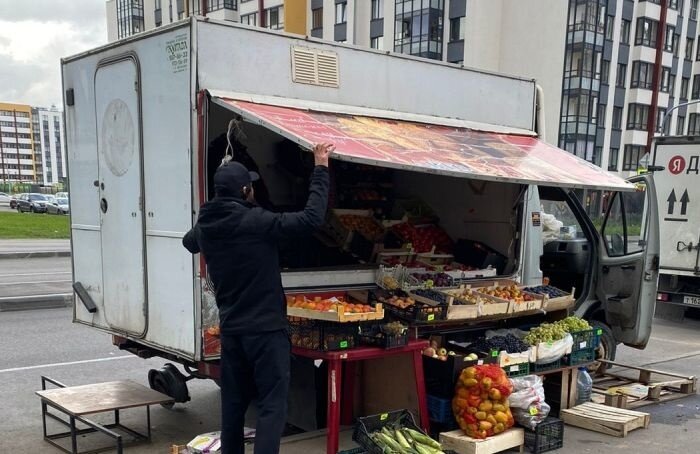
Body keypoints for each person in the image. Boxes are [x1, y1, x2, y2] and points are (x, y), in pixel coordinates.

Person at [182, 142, 334, 454]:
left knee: (234, 407)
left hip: (233, 333)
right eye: (250, 186)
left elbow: (189, 242)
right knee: (271, 406)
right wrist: (320, 168)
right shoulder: (258, 222)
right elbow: (311, 219)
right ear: (245, 191)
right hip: (266, 332)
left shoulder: (206, 227)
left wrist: (207, 217)